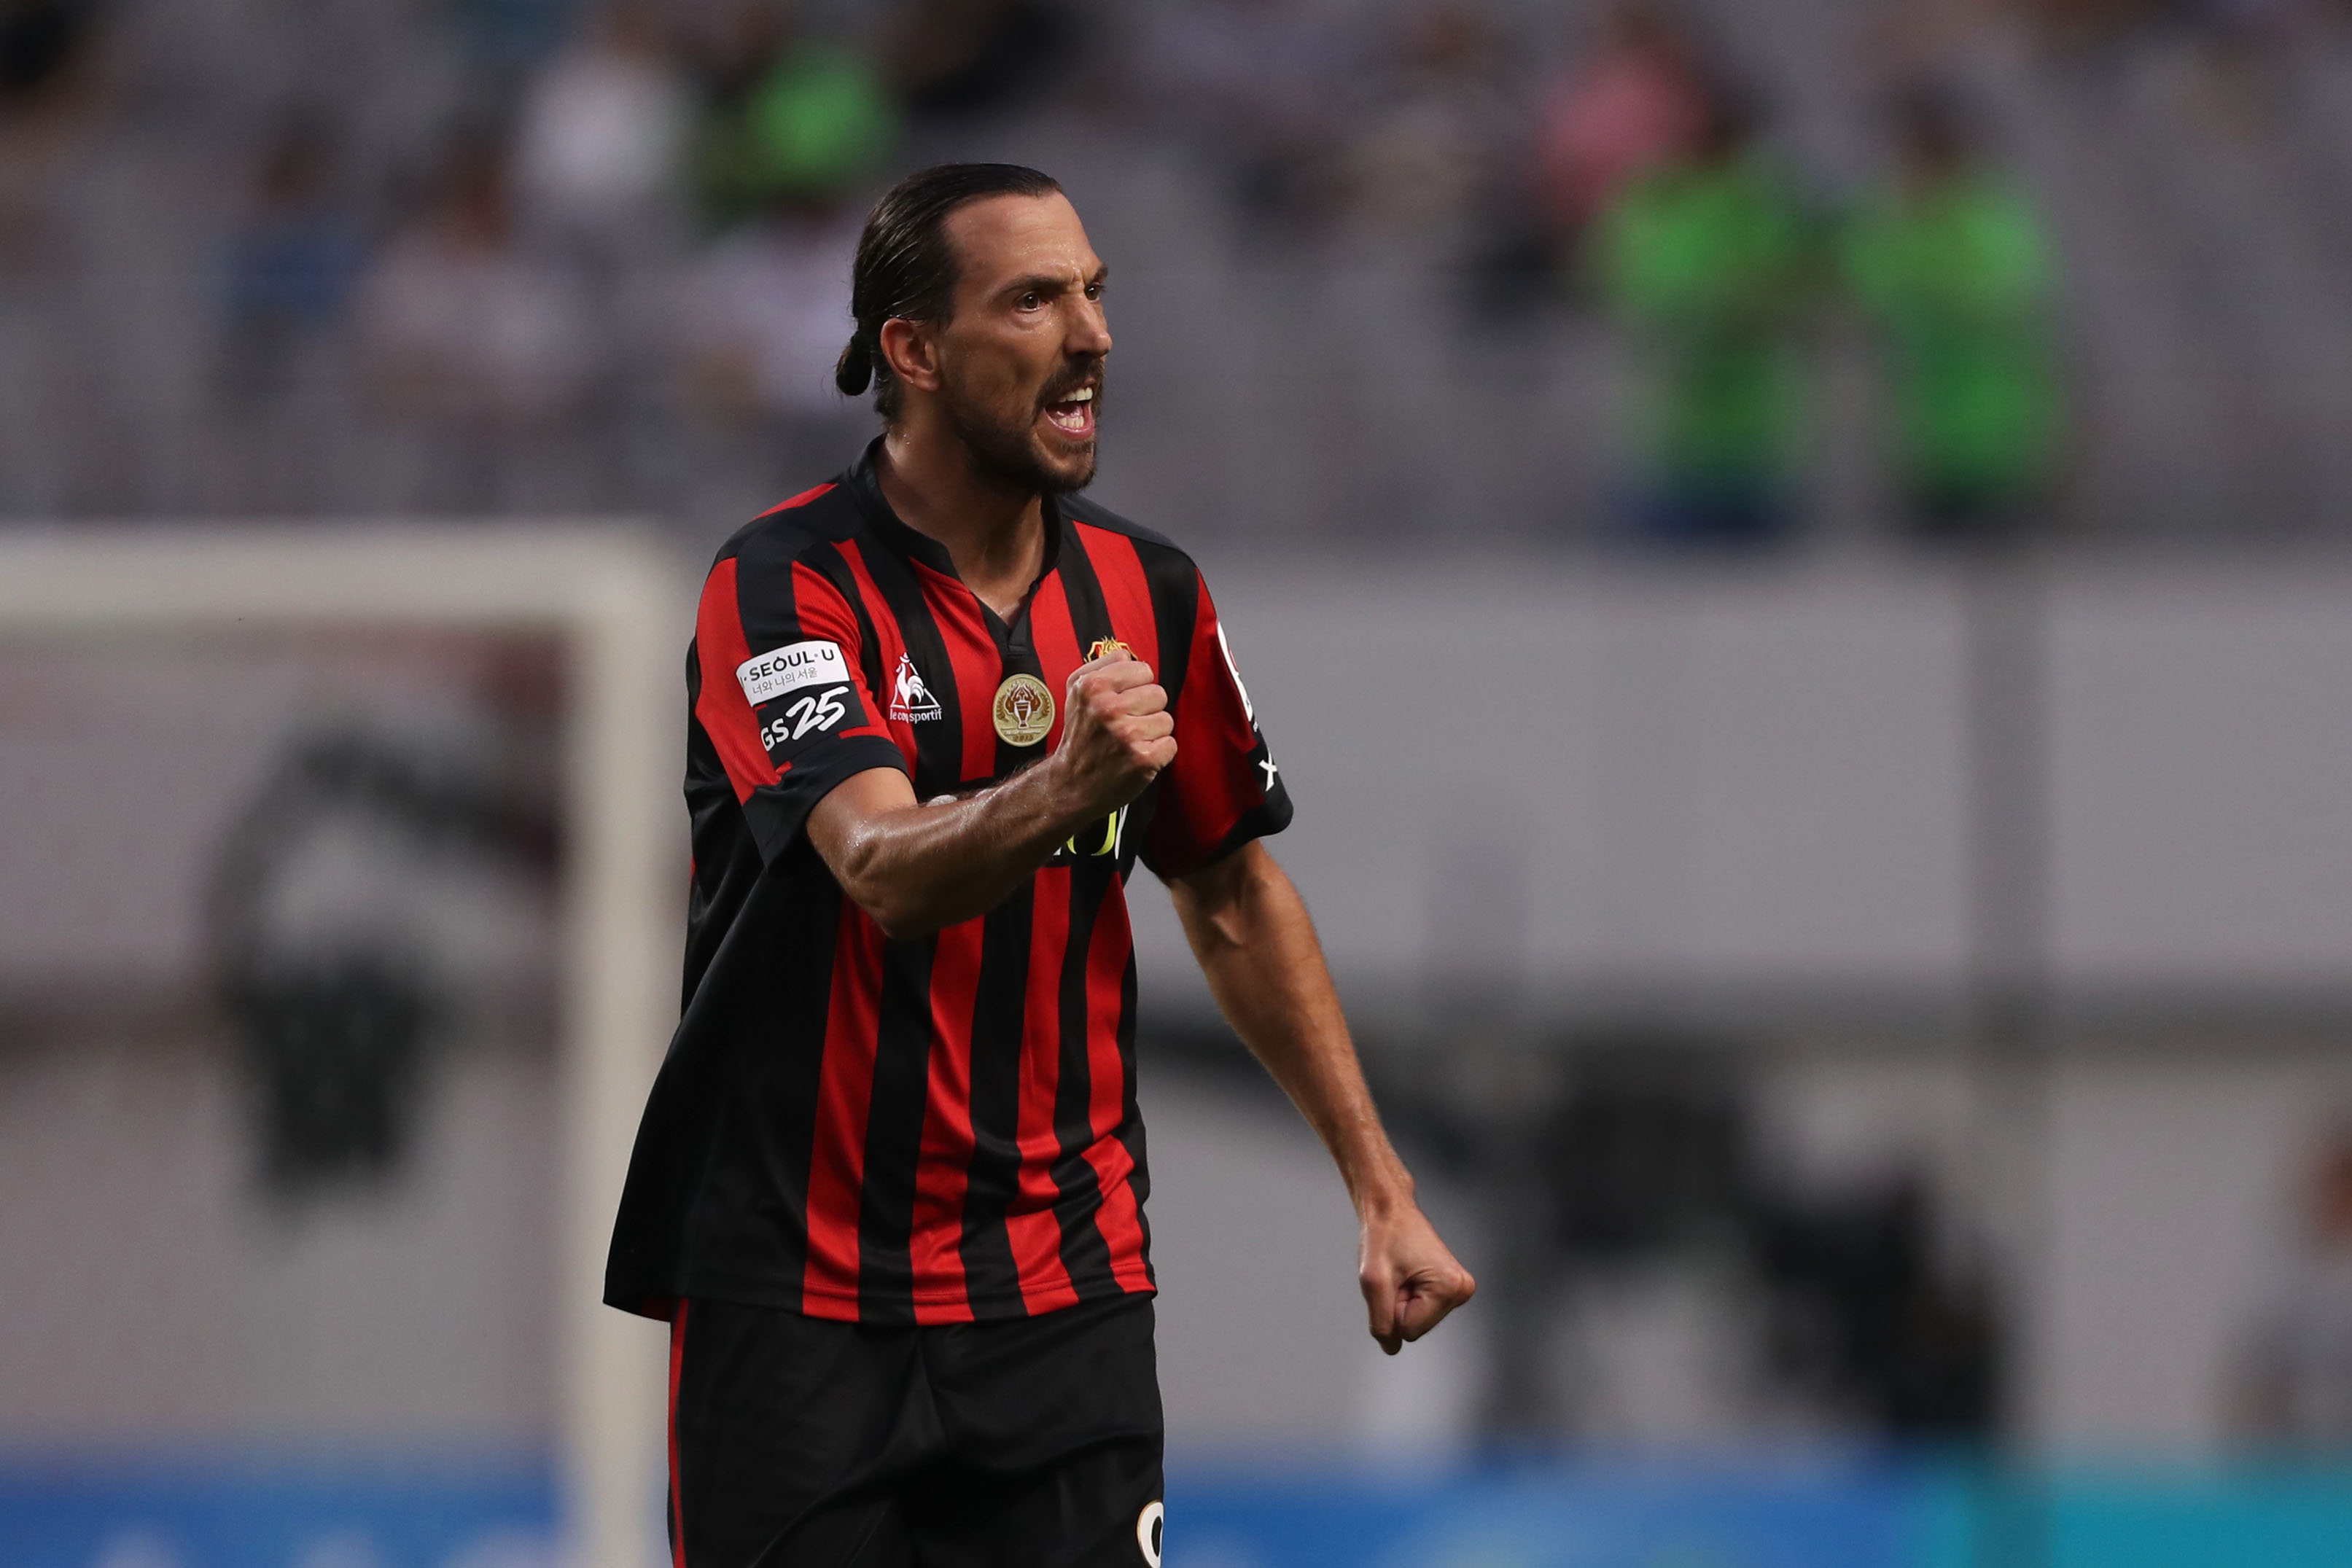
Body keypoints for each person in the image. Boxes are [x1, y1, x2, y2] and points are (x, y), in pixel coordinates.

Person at [604, 163, 1476, 1567]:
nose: (1092, 335)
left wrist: (1380, 1184)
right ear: (914, 349)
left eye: (1094, 293)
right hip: (797, 1296)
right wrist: (1067, 783)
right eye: (1032, 300)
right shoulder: (781, 585)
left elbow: (1233, 897)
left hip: (1062, 1295)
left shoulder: (1149, 592)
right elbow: (880, 867)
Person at [1595, 82, 1813, 546]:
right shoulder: (1656, 200)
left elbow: (1788, 286)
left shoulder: (1761, 201)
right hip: (1674, 433)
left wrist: (1737, 308)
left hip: (1753, 434)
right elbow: (1628, 288)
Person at [1840, 84, 2058, 543]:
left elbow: (1995, 303)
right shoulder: (1893, 218)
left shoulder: (1988, 214)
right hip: (1922, 435)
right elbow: (1861, 291)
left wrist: (1920, 294)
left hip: (1995, 432)